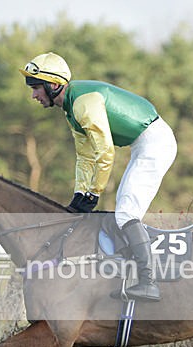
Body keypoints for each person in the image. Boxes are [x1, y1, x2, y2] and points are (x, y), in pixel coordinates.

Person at [20, 52, 177, 301]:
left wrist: (94, 193)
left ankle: (149, 281)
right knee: (123, 212)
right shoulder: (71, 107)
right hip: (144, 143)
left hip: (155, 142)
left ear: (53, 85)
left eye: (36, 88)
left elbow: (105, 152)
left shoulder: (83, 103)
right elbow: (84, 155)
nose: (34, 96)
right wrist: (79, 194)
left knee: (126, 213)